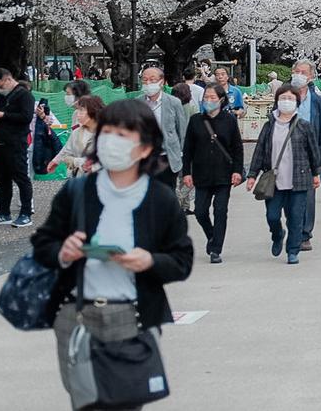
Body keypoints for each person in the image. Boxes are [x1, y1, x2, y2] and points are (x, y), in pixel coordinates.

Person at [30, 99, 194, 410]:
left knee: (126, 402)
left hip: (132, 315)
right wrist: (63, 252)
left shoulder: (159, 199)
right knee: (86, 402)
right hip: (76, 313)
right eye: (107, 133)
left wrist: (149, 261)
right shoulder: (77, 192)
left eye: (123, 135)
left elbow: (181, 260)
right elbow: (43, 243)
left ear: (145, 148)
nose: (111, 142)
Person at [246, 85, 321, 264]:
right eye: (283, 98)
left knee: (296, 218)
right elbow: (259, 151)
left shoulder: (304, 126)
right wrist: (252, 175)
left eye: (290, 99)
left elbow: (313, 153)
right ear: (277, 101)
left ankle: (293, 250)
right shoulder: (269, 126)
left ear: (296, 102)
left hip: (299, 179)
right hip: (274, 181)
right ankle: (277, 235)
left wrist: (316, 174)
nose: (286, 102)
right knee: (272, 216)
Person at [181, 84, 244, 264]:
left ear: (221, 100)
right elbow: (188, 149)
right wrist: (187, 173)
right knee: (200, 211)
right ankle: (211, 236)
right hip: (202, 173)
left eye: (212, 98)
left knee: (220, 210)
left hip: (224, 173)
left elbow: (237, 148)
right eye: (206, 98)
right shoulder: (195, 120)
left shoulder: (229, 120)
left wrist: (237, 171)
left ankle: (216, 249)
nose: (208, 101)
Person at [0, 69, 38, 228]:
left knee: (21, 178)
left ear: (8, 80)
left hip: (16, 144)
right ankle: (3, 213)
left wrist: (4, 115)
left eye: (0, 86)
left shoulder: (25, 95)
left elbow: (26, 117)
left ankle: (26, 213)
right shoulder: (3, 97)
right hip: (0, 143)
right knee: (3, 179)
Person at [290, 60, 321, 252]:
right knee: (288, 196)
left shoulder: (318, 101)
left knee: (307, 195)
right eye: (296, 71)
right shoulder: (284, 96)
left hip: (309, 153)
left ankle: (305, 233)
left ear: (311, 76)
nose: (299, 75)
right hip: (288, 151)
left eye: (303, 72)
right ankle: (293, 228)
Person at [136, 66, 188, 188]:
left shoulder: (174, 102)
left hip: (167, 157)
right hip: (145, 157)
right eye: (145, 80)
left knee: (167, 192)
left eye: (152, 79)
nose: (148, 83)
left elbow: (182, 131)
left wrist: (183, 157)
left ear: (162, 82)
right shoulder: (137, 102)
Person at [48, 95, 105, 178]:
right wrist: (56, 161)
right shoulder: (77, 132)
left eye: (81, 110)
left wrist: (74, 161)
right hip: (79, 178)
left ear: (93, 111)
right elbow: (67, 149)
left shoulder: (107, 134)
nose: (77, 114)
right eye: (77, 110)